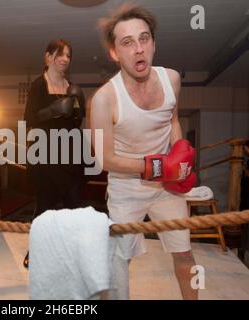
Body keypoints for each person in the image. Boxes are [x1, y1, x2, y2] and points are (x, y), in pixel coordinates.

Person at [90, 3, 198, 299]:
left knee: (185, 255)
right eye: (127, 42)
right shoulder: (104, 100)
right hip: (127, 189)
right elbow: (105, 159)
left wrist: (179, 152)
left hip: (168, 188)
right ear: (115, 53)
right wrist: (158, 166)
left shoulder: (172, 79)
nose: (138, 48)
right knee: (117, 264)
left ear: (153, 43)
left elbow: (172, 119)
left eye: (144, 38)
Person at [23, 39, 86, 268]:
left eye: (68, 55)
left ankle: (71, 253)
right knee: (45, 205)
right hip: (45, 153)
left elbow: (74, 124)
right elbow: (28, 119)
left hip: (69, 152)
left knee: (73, 205)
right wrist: (52, 110)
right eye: (60, 54)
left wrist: (79, 113)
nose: (65, 59)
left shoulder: (71, 86)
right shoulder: (39, 85)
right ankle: (35, 250)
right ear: (48, 57)